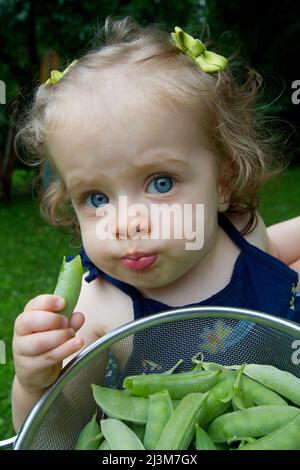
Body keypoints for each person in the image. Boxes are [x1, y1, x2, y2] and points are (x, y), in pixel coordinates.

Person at [12, 17, 300, 431]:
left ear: (222, 182)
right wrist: (33, 381)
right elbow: (51, 429)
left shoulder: (241, 233)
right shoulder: (101, 311)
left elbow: (277, 249)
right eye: (96, 198)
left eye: (160, 183)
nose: (127, 222)